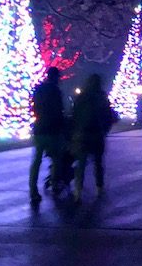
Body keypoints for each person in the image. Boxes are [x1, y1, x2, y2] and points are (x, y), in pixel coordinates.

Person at [70, 73, 116, 201]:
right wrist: (104, 129)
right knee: (98, 161)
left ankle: (78, 190)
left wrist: (76, 130)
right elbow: (109, 116)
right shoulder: (102, 97)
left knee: (81, 163)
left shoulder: (82, 97)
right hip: (97, 133)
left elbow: (74, 114)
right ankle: (99, 187)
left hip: (83, 134)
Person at [29, 67, 66, 205]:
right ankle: (55, 182)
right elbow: (59, 110)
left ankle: (33, 190)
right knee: (56, 158)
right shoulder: (55, 91)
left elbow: (33, 107)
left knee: (36, 161)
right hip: (52, 129)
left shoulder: (38, 90)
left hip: (39, 129)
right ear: (56, 77)